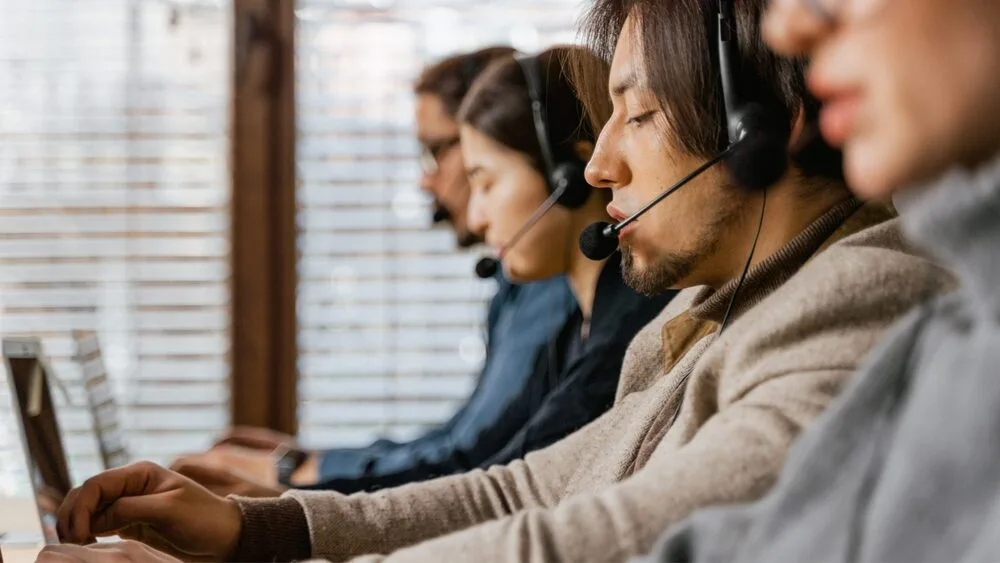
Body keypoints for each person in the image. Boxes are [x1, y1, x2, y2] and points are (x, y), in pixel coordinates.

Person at [43, 2, 951, 561]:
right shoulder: (717, 309)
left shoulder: (859, 292)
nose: (599, 165)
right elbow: (518, 492)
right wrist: (257, 531)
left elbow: (610, 543)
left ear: (760, 125)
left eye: (637, 115)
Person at [177, 46, 673, 499]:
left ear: (567, 177)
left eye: (485, 179)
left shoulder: (615, 327)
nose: (477, 215)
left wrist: (290, 499)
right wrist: (301, 485)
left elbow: (495, 480)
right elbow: (479, 453)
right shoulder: (578, 310)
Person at [633, 0, 1000, 561]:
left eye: (639, 115)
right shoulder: (952, 341)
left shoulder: (876, 296)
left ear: (759, 121)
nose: (789, 28)